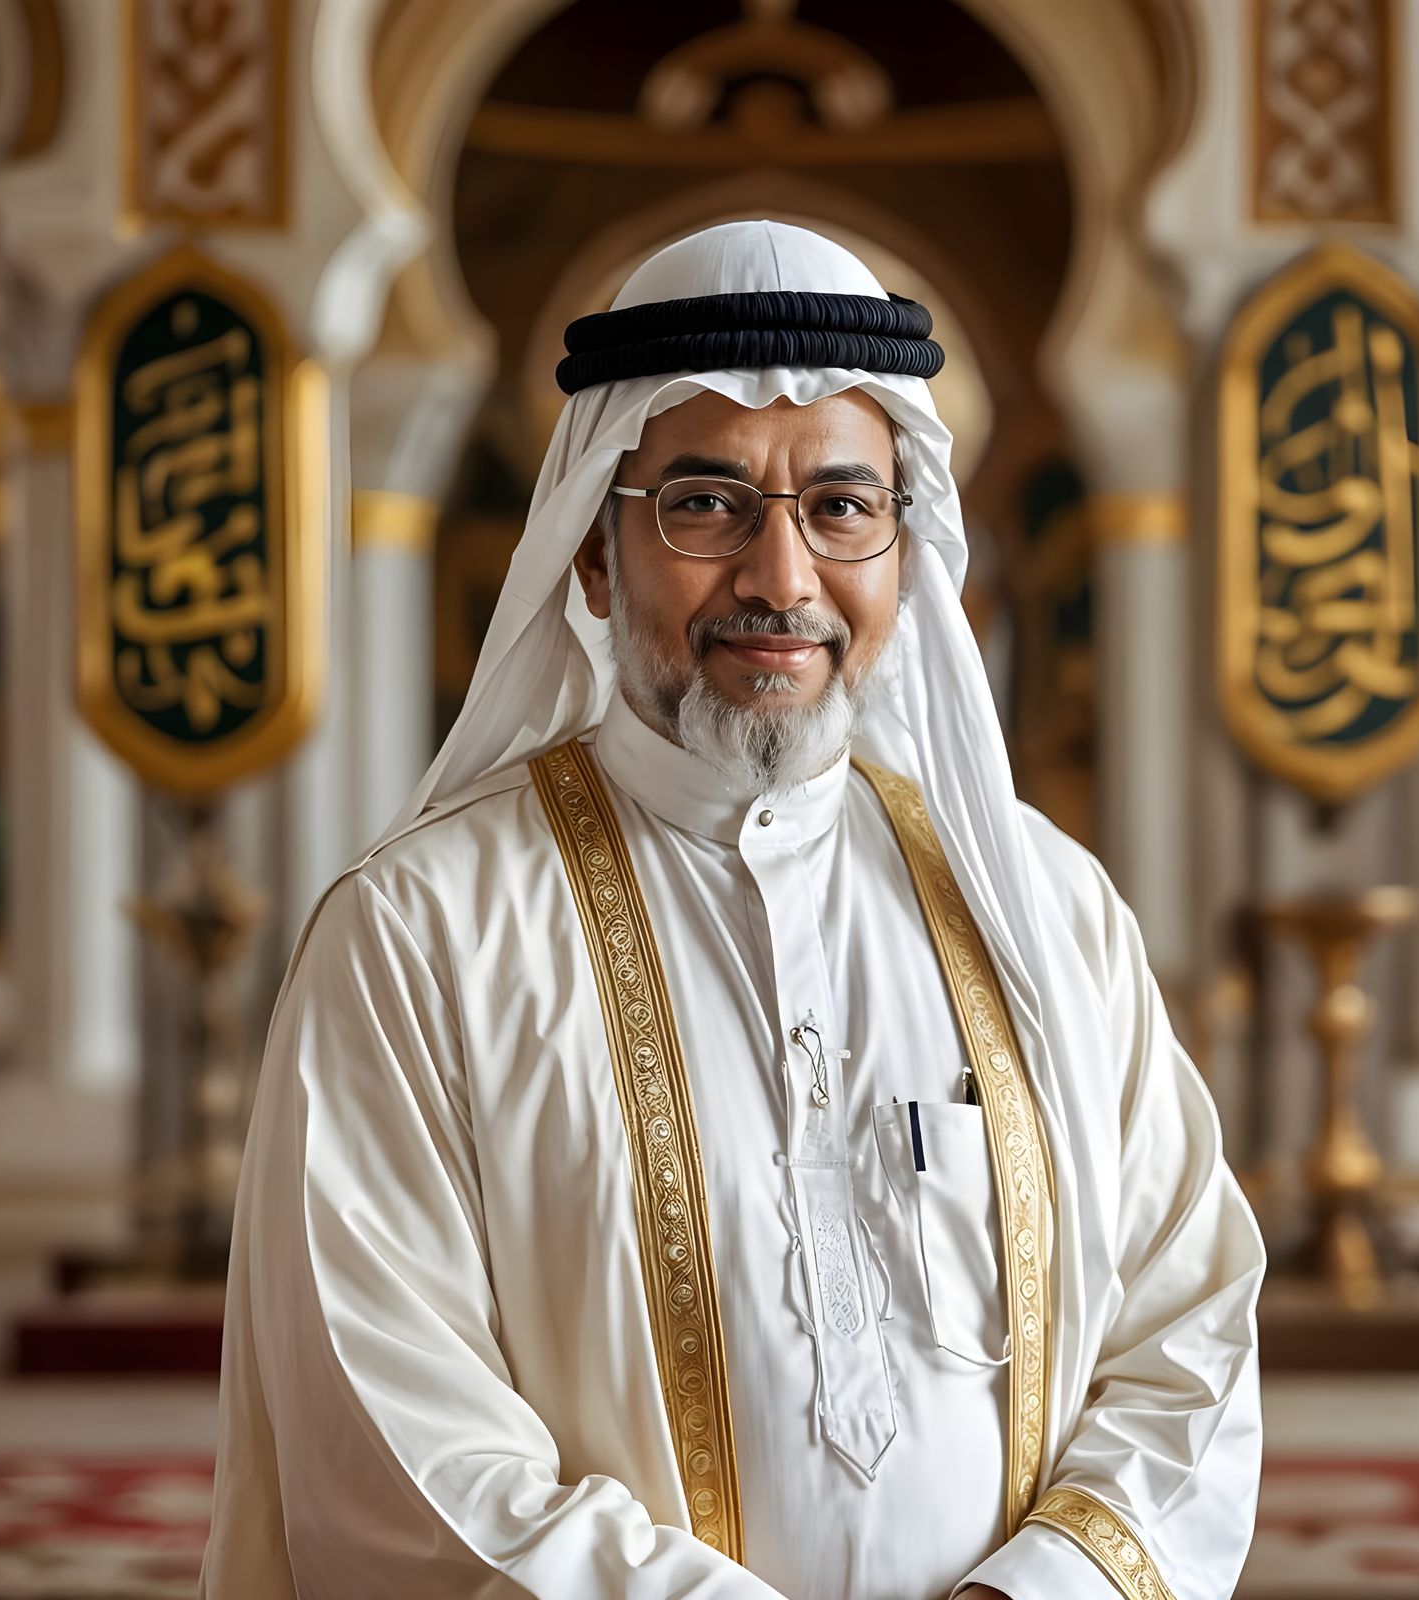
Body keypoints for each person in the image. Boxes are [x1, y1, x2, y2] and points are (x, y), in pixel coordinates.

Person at [201, 221, 1263, 1600]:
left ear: (906, 552)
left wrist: (1042, 1587)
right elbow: (395, 1439)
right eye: (705, 505)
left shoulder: (1045, 906)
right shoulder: (418, 937)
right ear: (594, 556)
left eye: (840, 507)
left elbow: (1189, 1333)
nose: (780, 580)